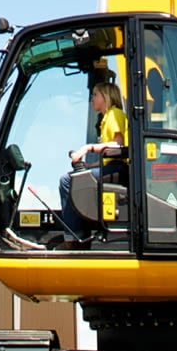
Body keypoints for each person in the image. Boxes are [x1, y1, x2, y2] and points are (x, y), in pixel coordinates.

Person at [56, 81, 129, 242]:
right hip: (113, 166)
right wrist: (89, 166)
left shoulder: (114, 114)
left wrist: (88, 148)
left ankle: (74, 237)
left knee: (68, 181)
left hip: (119, 168)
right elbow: (109, 156)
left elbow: (119, 145)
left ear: (106, 96)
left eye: (96, 94)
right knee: (78, 178)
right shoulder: (106, 118)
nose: (92, 99)